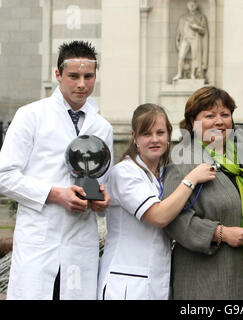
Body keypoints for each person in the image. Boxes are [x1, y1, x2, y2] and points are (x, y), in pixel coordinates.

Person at [162, 51, 243, 300]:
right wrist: (219, 233)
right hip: (208, 276)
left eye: (225, 114)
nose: (219, 122)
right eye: (209, 116)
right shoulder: (183, 158)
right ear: (192, 121)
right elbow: (174, 219)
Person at [0, 41, 113, 299]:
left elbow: (102, 180)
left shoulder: (103, 127)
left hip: (80, 243)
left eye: (88, 76)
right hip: (40, 240)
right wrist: (55, 194)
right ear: (58, 75)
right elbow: (4, 176)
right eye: (73, 76)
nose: (81, 84)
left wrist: (101, 200)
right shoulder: (31, 116)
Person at [98, 104, 216, 300]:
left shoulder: (164, 172)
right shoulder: (125, 172)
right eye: (146, 134)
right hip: (126, 285)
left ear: (168, 136)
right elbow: (159, 216)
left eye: (160, 132)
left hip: (157, 282)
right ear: (134, 138)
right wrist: (192, 179)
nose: (154, 139)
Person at [173, 0, 208, 81]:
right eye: (190, 4)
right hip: (185, 39)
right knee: (181, 57)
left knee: (195, 57)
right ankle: (179, 73)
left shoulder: (201, 16)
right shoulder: (183, 17)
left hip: (195, 38)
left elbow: (204, 31)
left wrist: (197, 27)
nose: (191, 6)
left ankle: (193, 74)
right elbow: (179, 30)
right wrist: (177, 40)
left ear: (196, 5)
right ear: (187, 5)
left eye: (193, 4)